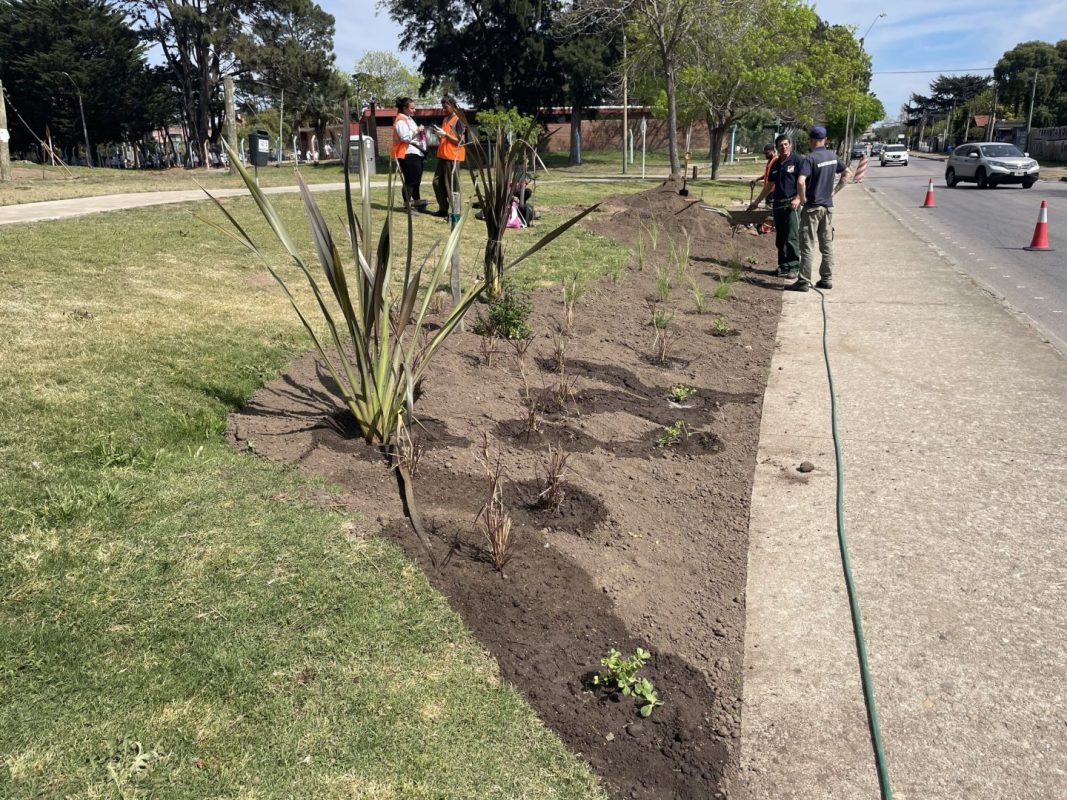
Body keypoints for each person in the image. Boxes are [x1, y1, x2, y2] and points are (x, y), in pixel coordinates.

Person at [788, 126, 851, 292]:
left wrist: (802, 199)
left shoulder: (810, 159)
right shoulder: (832, 157)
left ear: (811, 140)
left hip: (813, 208)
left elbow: (801, 181)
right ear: (825, 140)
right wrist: (834, 192)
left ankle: (803, 282)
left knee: (807, 245)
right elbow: (847, 173)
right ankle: (826, 279)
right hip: (827, 207)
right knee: (826, 244)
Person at [748, 133, 802, 278]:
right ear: (777, 148)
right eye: (780, 145)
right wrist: (756, 202)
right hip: (778, 205)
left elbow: (804, 182)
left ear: (790, 145)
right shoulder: (776, 164)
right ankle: (783, 266)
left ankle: (793, 267)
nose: (784, 147)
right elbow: (769, 185)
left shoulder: (798, 161)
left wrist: (798, 198)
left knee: (792, 237)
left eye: (786, 144)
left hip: (792, 205)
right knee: (780, 238)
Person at [430, 95, 467, 218]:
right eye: (442, 107)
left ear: (452, 105)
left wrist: (445, 134)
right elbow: (445, 138)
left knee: (451, 185)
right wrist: (439, 134)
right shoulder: (446, 119)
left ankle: (456, 212)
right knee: (436, 183)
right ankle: (443, 209)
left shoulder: (459, 120)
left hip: (452, 157)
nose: (443, 109)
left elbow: (460, 141)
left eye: (445, 107)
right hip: (443, 156)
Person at [391, 96, 429, 211]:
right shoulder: (400, 120)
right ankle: (407, 205)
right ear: (404, 108)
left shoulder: (409, 119)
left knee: (416, 180)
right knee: (410, 180)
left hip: (416, 153)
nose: (414, 110)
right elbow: (405, 137)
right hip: (408, 154)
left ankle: (417, 202)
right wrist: (417, 130)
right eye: (412, 108)